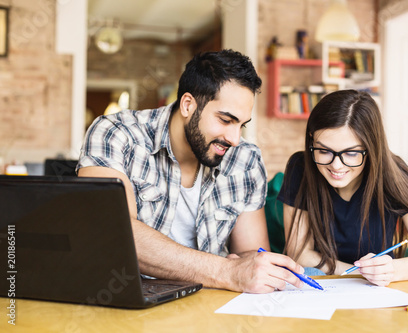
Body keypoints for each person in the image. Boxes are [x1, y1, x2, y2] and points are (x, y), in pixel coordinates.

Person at [77, 49, 305, 293]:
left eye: (241, 125)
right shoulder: (115, 133)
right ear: (188, 105)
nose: (235, 138)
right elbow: (113, 232)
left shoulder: (245, 158)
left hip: (210, 303)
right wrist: (227, 272)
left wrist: (256, 268)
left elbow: (250, 251)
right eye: (226, 120)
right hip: (126, 297)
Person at [279, 89, 408, 286]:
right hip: (321, 286)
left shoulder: (393, 174)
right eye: (324, 150)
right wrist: (359, 273)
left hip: (376, 288)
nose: (336, 165)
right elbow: (299, 254)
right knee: (309, 271)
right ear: (311, 140)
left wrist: (391, 270)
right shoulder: (300, 167)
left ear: (371, 148)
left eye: (352, 153)